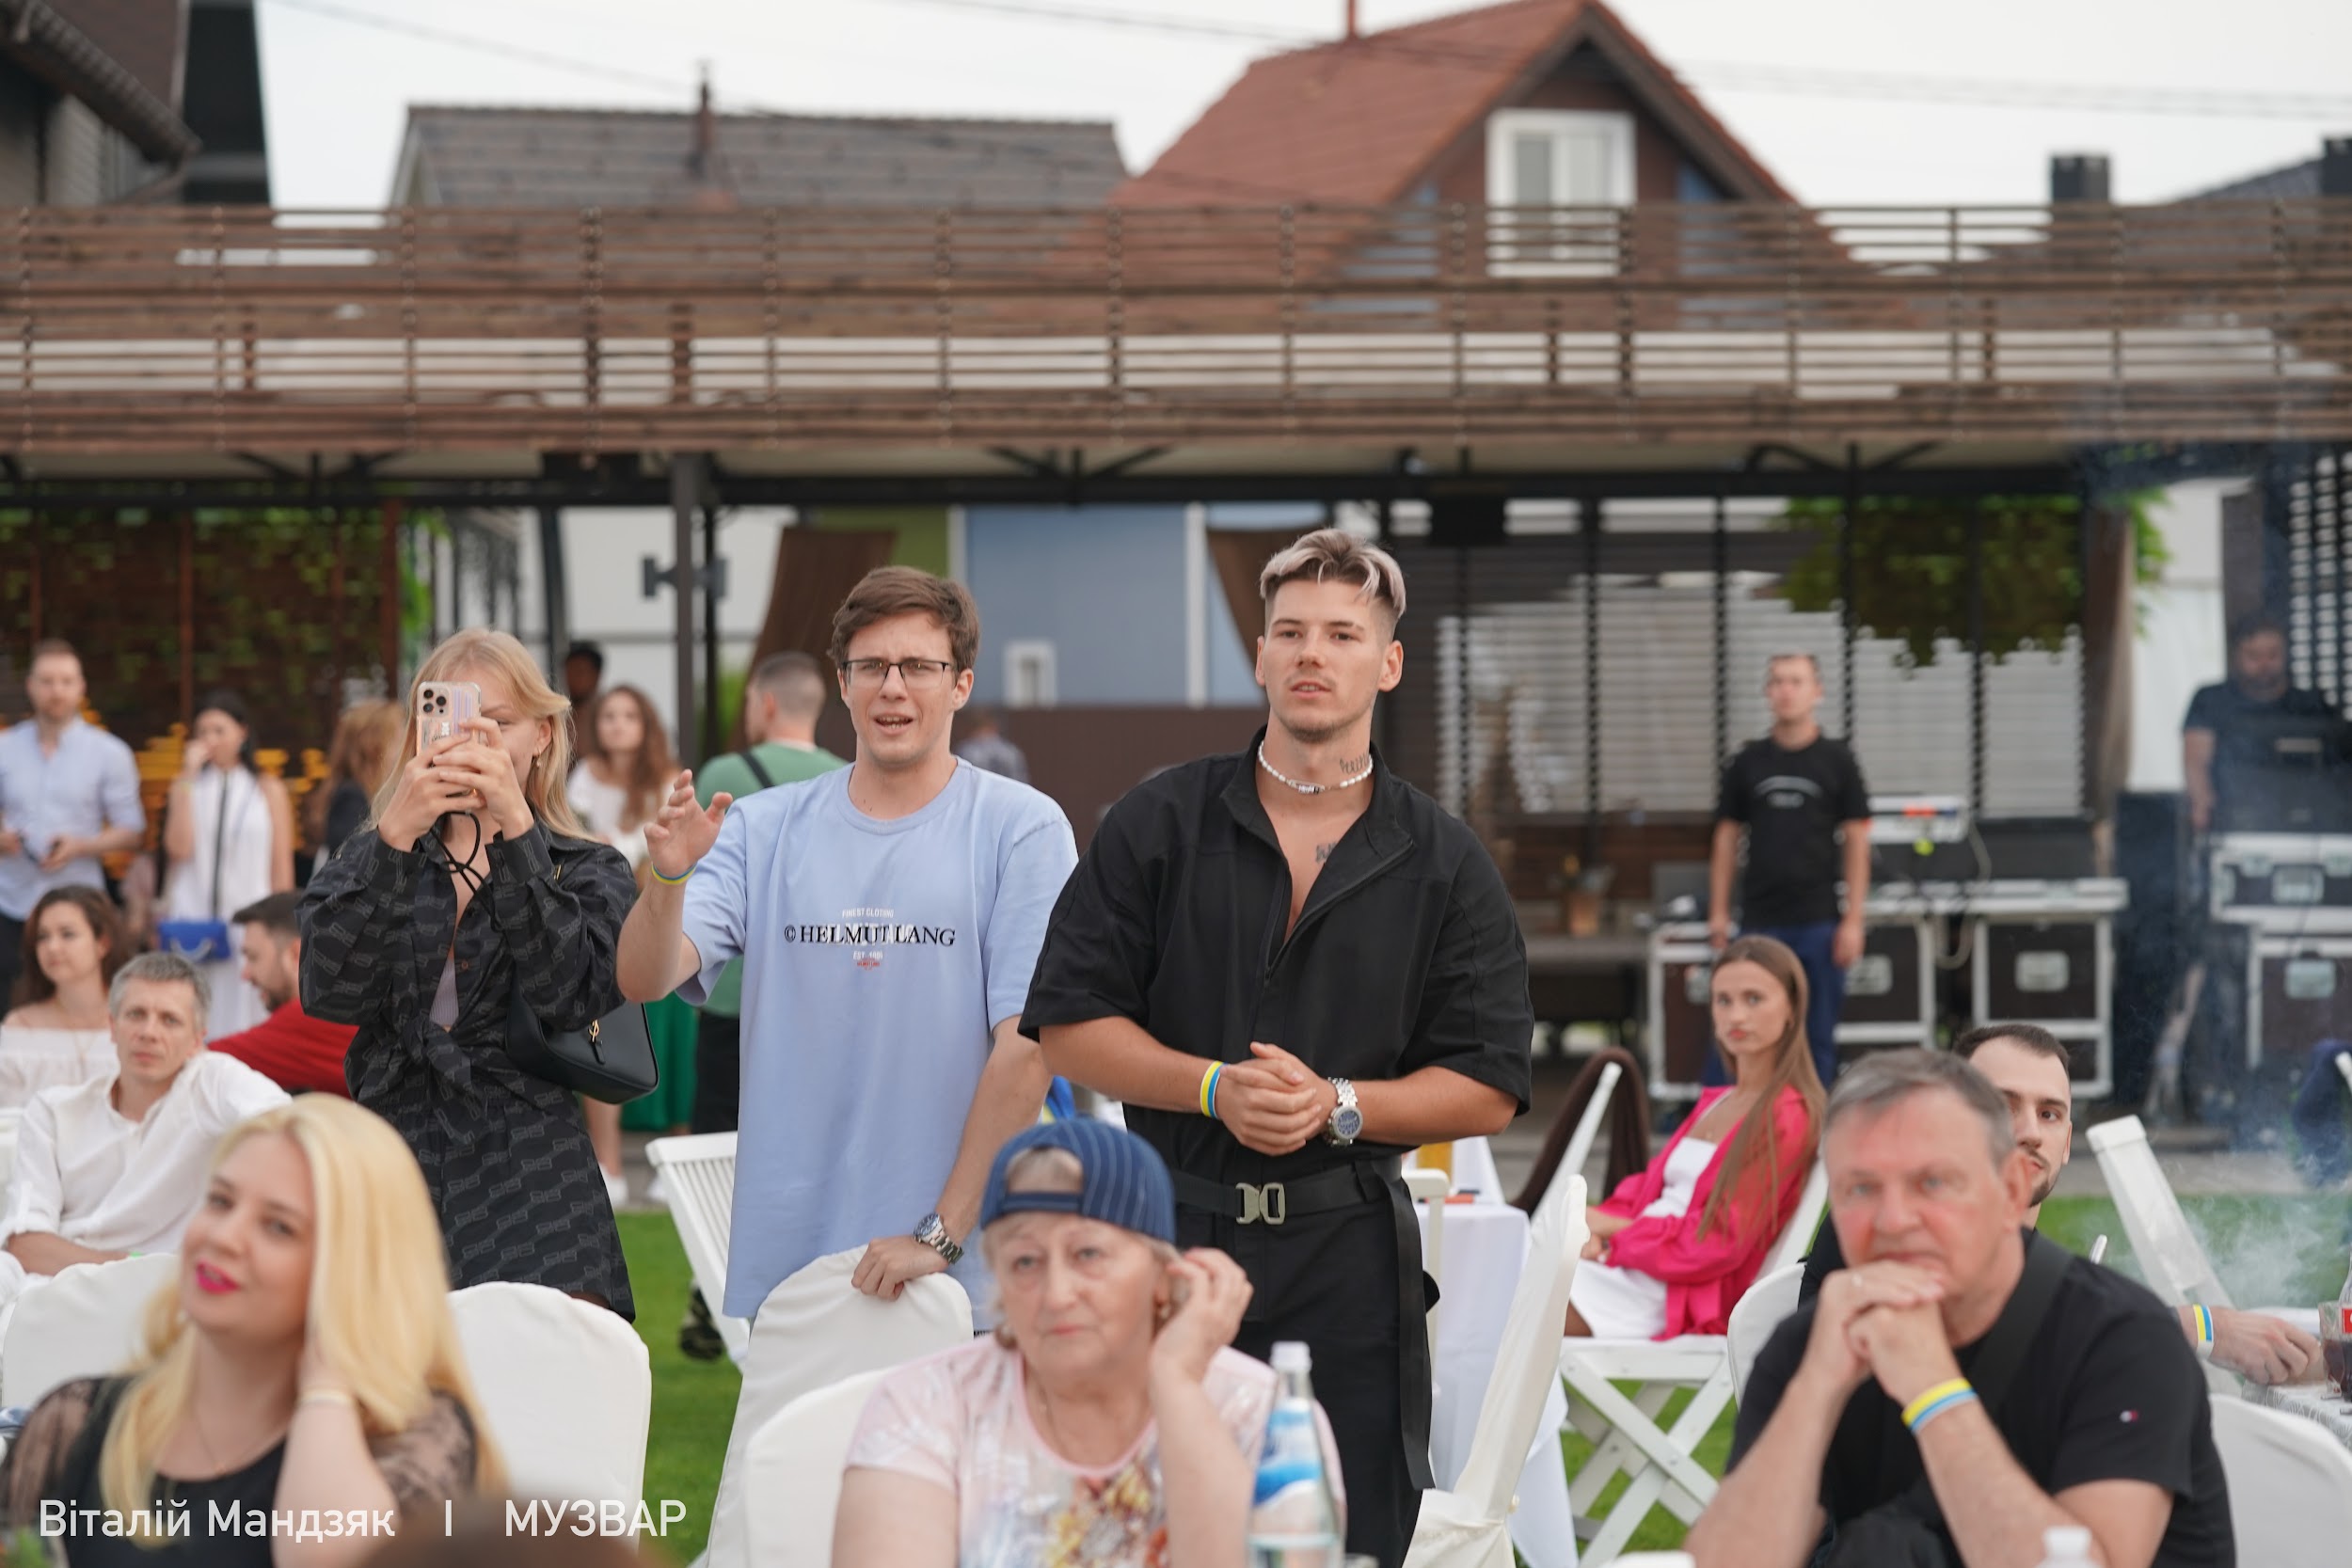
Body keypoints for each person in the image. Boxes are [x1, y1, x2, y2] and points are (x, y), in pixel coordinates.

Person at [1022, 528, 1533, 1568]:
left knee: (1346, 1537)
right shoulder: (1159, 821)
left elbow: (1487, 1081)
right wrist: (1214, 1088)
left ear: (1387, 663)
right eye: (1291, 631)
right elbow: (1069, 1026)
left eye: (1343, 634)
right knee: (1139, 1526)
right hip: (1167, 1241)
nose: (1312, 653)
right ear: (1258, 655)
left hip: (1351, 1261)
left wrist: (1339, 1102)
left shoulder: (1443, 859)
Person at [615, 565, 1076, 1323]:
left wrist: (941, 1234)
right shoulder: (761, 826)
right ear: (843, 683)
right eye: (872, 666)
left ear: (960, 684)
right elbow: (642, 979)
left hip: (964, 1280)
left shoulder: (1021, 828)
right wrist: (667, 878)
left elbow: (1026, 1049)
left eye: (919, 666)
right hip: (796, 1270)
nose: (893, 687)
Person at [1689, 1050, 2233, 1568]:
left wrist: (1931, 1388)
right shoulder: (1815, 1342)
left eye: (1932, 1182)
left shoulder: (2123, 1341)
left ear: (2011, 1189)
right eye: (1860, 1188)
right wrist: (1814, 1388)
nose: (1893, 1220)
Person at [0, 1095, 501, 1565]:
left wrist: (328, 1384)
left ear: (353, 1270)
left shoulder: (413, 1440)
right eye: (220, 1201)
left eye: (279, 1227)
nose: (224, 1237)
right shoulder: (76, 1421)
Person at [301, 629, 639, 1317]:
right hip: (395, 1148)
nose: (473, 740)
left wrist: (516, 830)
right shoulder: (375, 853)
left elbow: (568, 993)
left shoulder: (586, 866)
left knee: (545, 1365)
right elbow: (329, 990)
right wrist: (393, 840)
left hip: (532, 1158)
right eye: (453, 718)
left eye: (498, 722)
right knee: (390, 1371)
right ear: (421, 732)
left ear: (542, 735)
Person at [834, 1117, 1336, 1568]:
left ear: (1165, 1276)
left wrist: (1177, 1385)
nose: (1056, 1295)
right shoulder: (924, 1406)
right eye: (1025, 1262)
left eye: (1089, 1254)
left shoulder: (1268, 1415)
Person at [1802, 1022, 2322, 1386]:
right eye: (2002, 1105)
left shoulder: (2026, 1261)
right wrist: (2206, 1328)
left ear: (2068, 1143)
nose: (2030, 1131)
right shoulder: (1888, 1225)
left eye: (2049, 1114)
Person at [675, 650, 845, 1359]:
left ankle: (712, 1288)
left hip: (732, 993)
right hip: (816, 1000)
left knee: (721, 1145)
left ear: (766, 704)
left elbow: (698, 882)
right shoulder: (847, 777)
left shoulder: (725, 774)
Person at [0, 953, 289, 1312]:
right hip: (54, 1288)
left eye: (170, 1020)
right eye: (136, 1014)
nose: (149, 1032)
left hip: (166, 1298)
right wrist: (129, 1265)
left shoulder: (211, 1083)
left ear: (197, 1040)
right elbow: (26, 1244)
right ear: (112, 1025)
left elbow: (288, 1124)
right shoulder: (53, 1110)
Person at [1567, 936, 1823, 1339]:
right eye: (1723, 1000)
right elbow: (1646, 1191)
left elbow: (1718, 1244)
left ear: (1791, 1007)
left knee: (1511, 1299)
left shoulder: (1786, 1116)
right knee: (1505, 1271)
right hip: (1634, 1262)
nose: (1736, 1015)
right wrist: (1594, 1228)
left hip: (1676, 1291)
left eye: (1754, 999)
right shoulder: (1716, 1101)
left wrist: (1616, 1231)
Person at [1708, 653, 1871, 1088]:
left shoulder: (1838, 761)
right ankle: (1734, 1119)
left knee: (1815, 1037)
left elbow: (1857, 841)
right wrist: (1719, 913)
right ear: (1768, 692)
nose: (1786, 691)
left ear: (1817, 691)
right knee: (1741, 1034)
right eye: (1778, 681)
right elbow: (1726, 839)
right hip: (1758, 922)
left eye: (1796, 681)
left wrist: (1854, 920)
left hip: (1819, 922)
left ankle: (1812, 1122)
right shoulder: (1747, 762)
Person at [567, 682, 685, 1205]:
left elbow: (673, 851)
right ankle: (608, 1165)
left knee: (672, 1041)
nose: (617, 725)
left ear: (646, 725)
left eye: (629, 716)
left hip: (658, 918)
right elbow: (568, 836)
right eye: (609, 716)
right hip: (600, 923)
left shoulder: (666, 778)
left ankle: (673, 1162)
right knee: (603, 1039)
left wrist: (628, 854)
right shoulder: (582, 777)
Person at [0, 640, 145, 1006]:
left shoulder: (109, 753)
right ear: (30, 686)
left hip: (79, 904)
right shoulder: (5, 748)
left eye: (66, 681)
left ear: (81, 687)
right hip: (10, 902)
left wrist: (81, 846)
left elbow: (132, 831)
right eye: (47, 681)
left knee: (80, 1006)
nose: (56, 691)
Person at [163, 690, 294, 1039]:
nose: (210, 740)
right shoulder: (187, 786)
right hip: (195, 921)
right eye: (202, 732)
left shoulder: (266, 789)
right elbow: (178, 848)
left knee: (246, 1014)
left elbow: (280, 863)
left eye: (219, 730)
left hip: (249, 921)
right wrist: (187, 776)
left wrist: (282, 925)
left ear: (242, 733)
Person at [2181, 610, 2340, 836]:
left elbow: (2338, 766)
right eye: (2253, 656)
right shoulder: (2211, 701)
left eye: (2273, 655)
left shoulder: (2312, 705)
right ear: (2236, 657)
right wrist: (2201, 809)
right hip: (2231, 820)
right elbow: (2196, 760)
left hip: (2311, 823)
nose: (2265, 664)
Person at [206, 894, 356, 1098]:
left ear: (295, 953)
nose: (245, 974)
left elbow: (195, 1060)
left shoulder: (313, 1014)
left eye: (253, 957)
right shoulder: (349, 998)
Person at [0, 884, 127, 1107]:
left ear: (102, 943)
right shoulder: (19, 1026)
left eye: (67, 934)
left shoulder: (138, 1019)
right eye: (43, 937)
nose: (52, 947)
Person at [307, 699, 405, 863]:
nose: (402, 752)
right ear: (373, 746)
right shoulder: (351, 798)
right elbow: (355, 862)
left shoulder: (360, 794)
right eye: (397, 740)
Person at [954, 706, 1029, 784]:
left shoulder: (967, 750)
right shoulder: (1011, 751)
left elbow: (961, 782)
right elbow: (1021, 782)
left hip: (978, 791)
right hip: (1008, 791)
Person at [563, 641, 606, 713]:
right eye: (569, 672)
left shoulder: (608, 712)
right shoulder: (560, 712)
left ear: (596, 676)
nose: (573, 678)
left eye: (579, 672)